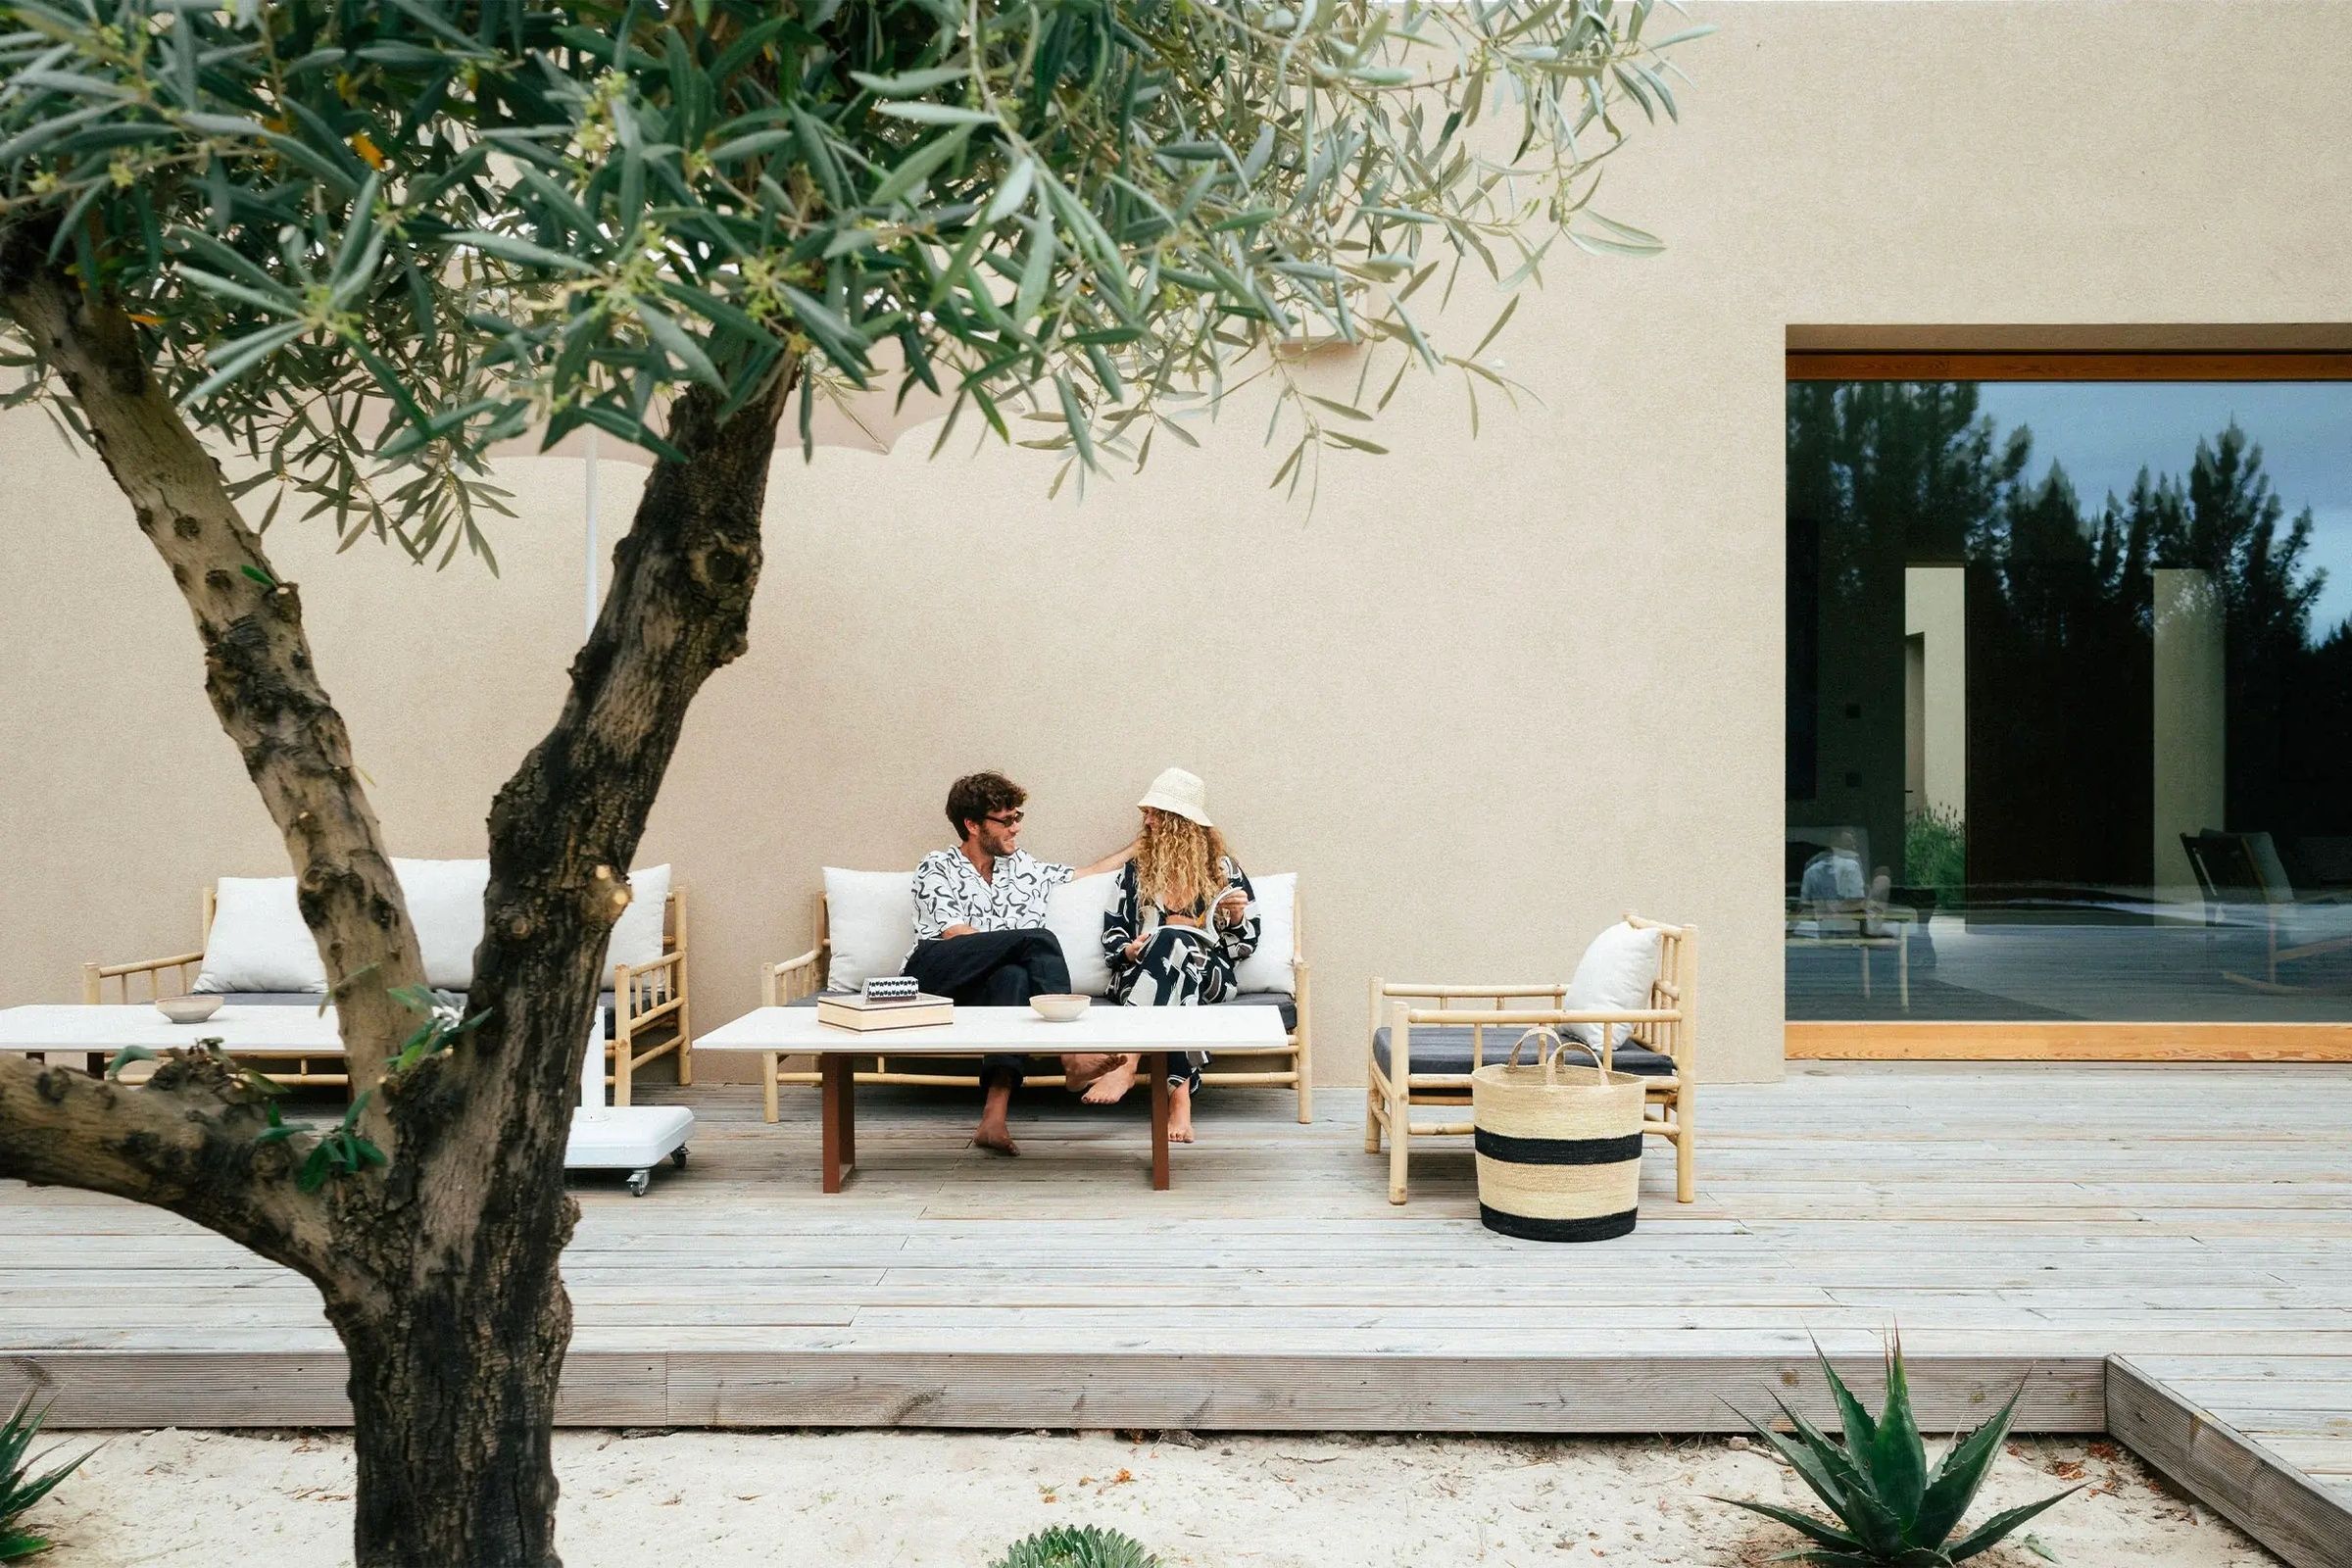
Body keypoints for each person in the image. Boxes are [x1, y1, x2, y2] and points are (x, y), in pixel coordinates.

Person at [903, 771, 1134, 1156]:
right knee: (1036, 939)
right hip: (935, 974)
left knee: (1012, 980)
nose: (1016, 828)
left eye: (1018, 816)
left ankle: (993, 1120)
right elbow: (956, 935)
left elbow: (1089, 873)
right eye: (1006, 820)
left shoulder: (1023, 867)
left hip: (984, 989)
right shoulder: (937, 865)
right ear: (972, 825)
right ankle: (1072, 1054)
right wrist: (1018, 945)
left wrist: (1139, 844)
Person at [1067, 767, 1256, 1145]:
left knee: (1177, 943)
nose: (1147, 821)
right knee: (1173, 955)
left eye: (1154, 813)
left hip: (1210, 976)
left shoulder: (1222, 871)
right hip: (1140, 973)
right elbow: (1113, 933)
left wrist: (1236, 917)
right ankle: (1180, 1101)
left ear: (1178, 823)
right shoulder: (1137, 871)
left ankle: (1130, 1057)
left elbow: (1245, 945)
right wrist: (1129, 948)